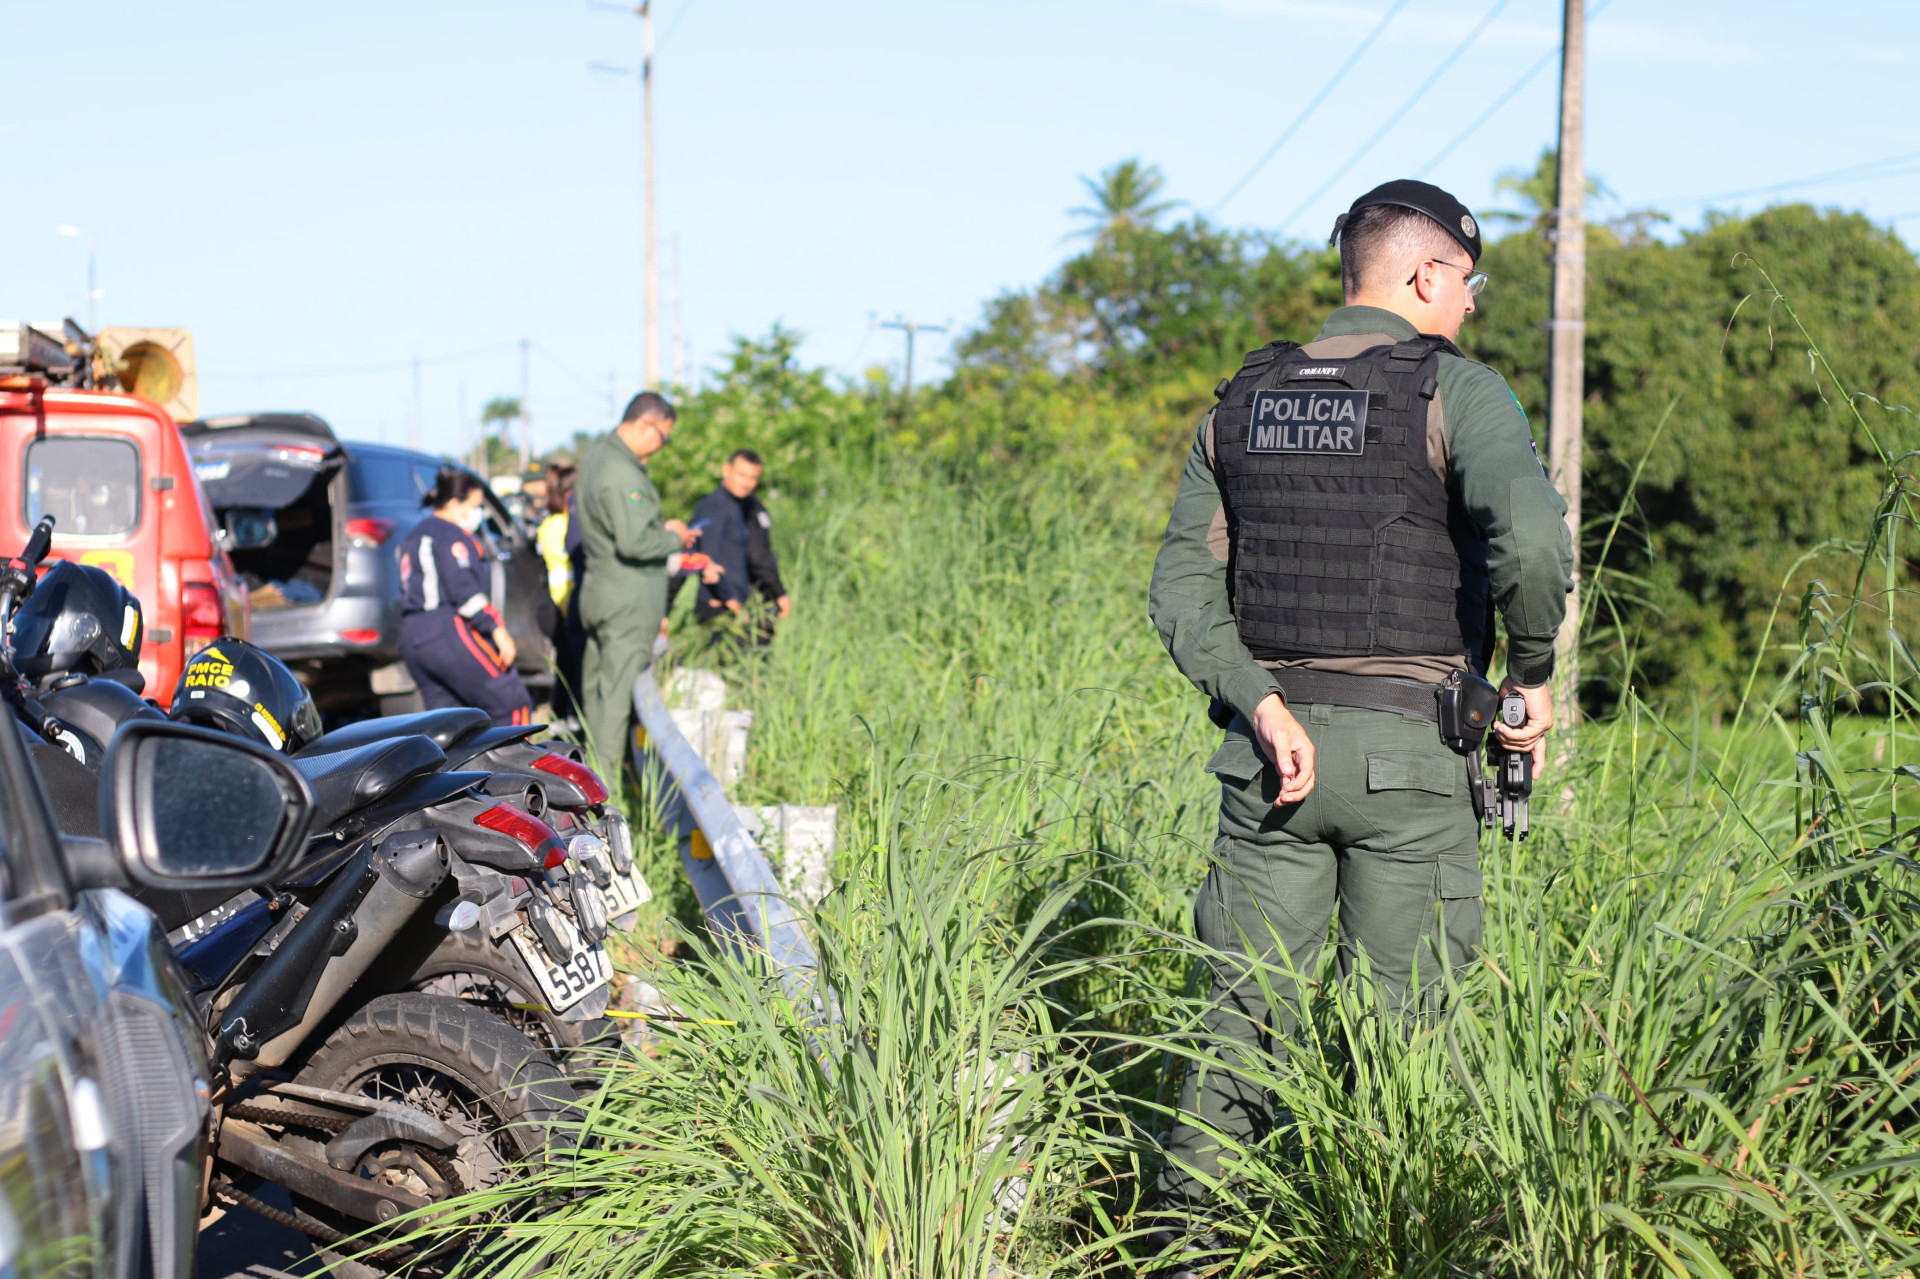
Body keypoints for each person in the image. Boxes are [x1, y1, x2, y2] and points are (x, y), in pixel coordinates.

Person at [1147, 180, 1573, 1226]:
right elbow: (1532, 547)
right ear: (1426, 275)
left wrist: (1262, 702)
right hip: (1413, 760)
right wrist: (1528, 678)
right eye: (1467, 282)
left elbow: (1182, 589)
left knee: (1239, 1019)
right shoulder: (1460, 393)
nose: (1470, 305)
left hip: (1268, 763)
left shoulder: (1239, 403)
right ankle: (1383, 1235)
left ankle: (1189, 1242)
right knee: (1410, 1030)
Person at [576, 391, 696, 781]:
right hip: (625, 600)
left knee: (597, 697)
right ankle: (604, 799)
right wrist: (674, 536)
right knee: (614, 704)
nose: (662, 446)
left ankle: (590, 782)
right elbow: (635, 542)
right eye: (665, 436)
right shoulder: (621, 472)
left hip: (600, 590)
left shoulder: (597, 457)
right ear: (646, 426)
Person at [395, 467, 533, 727]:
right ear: (453, 503)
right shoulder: (451, 535)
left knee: (448, 725)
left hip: (412, 635)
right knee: (512, 703)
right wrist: (496, 629)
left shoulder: (411, 536)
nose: (477, 515)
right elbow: (463, 590)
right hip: (444, 630)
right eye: (474, 506)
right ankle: (517, 768)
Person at [688, 448, 791, 638]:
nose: (746, 483)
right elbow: (703, 557)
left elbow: (759, 556)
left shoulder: (749, 507)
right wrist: (729, 599)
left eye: (753, 478)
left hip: (742, 604)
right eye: (741, 474)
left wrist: (775, 592)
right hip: (719, 605)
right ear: (726, 469)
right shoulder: (713, 506)